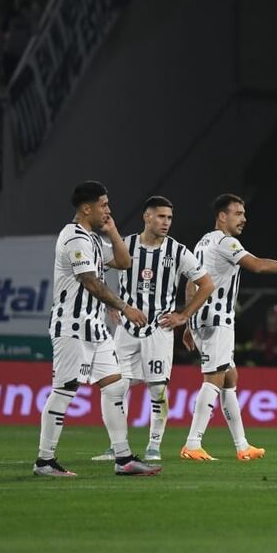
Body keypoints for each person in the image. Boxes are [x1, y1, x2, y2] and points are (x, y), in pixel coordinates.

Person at [180, 194, 277, 461]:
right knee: (213, 378)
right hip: (216, 320)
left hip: (204, 320)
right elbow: (257, 265)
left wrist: (189, 321)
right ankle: (192, 443)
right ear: (222, 217)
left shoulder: (203, 242)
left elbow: (192, 282)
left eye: (244, 213)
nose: (244, 218)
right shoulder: (226, 242)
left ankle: (242, 446)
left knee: (230, 379)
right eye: (238, 213)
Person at [33, 181, 161, 476]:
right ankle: (44, 461)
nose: (108, 210)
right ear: (86, 208)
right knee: (64, 391)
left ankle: (124, 459)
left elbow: (124, 262)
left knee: (115, 387)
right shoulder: (73, 238)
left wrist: (113, 231)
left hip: (95, 329)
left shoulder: (91, 239)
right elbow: (91, 281)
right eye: (103, 205)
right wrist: (125, 307)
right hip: (71, 327)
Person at [91, 196, 214, 462]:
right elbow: (95, 269)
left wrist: (184, 316)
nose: (166, 222)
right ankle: (117, 445)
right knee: (115, 387)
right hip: (126, 327)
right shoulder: (126, 245)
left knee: (157, 389)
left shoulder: (178, 251)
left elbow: (206, 284)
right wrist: (112, 303)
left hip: (159, 328)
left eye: (169, 218)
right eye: (161, 217)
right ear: (146, 217)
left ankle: (154, 446)